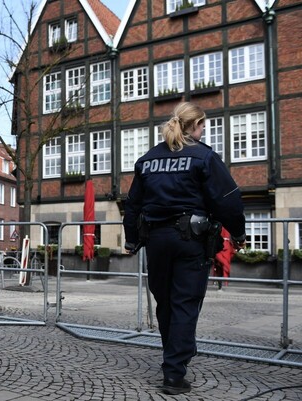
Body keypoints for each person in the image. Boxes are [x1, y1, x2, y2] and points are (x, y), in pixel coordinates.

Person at [123, 102, 247, 395]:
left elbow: (133, 204)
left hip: (156, 241)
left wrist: (131, 239)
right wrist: (238, 234)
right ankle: (174, 374)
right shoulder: (204, 156)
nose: (204, 131)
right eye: (203, 126)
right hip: (190, 240)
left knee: (166, 303)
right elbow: (227, 200)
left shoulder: (148, 159)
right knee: (185, 304)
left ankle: (177, 355)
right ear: (195, 126)